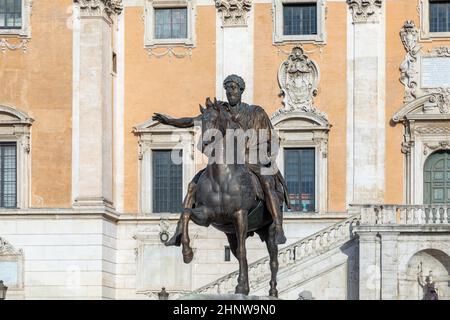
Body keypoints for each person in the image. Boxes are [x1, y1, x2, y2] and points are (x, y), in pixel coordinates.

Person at [153, 74, 290, 245]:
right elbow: (193, 120)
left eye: (233, 88)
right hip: (229, 159)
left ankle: (278, 227)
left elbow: (269, 138)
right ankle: (179, 232)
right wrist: (170, 121)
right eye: (227, 88)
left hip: (252, 158)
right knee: (194, 184)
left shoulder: (256, 112)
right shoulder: (220, 112)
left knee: (267, 182)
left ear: (241, 90)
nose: (230, 91)